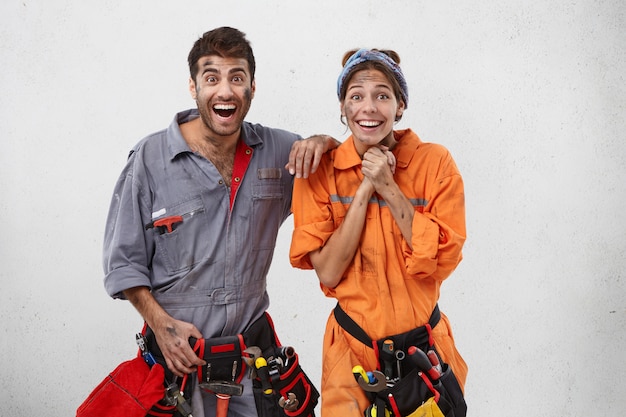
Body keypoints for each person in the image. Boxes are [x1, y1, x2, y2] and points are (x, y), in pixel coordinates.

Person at [103, 27, 336, 417]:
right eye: (211, 77)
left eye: (237, 77)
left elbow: (344, 173)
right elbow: (123, 264)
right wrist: (160, 324)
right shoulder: (150, 160)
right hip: (177, 367)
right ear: (193, 88)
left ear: (252, 89)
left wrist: (324, 142)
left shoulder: (279, 152)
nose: (225, 90)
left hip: (253, 367)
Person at [289, 48, 468, 416]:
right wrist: (366, 187)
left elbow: (443, 259)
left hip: (426, 353)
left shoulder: (435, 163)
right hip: (351, 355)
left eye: (382, 95)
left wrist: (388, 185)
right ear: (343, 107)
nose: (368, 107)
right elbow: (328, 270)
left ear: (400, 106)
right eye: (356, 96)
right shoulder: (320, 171)